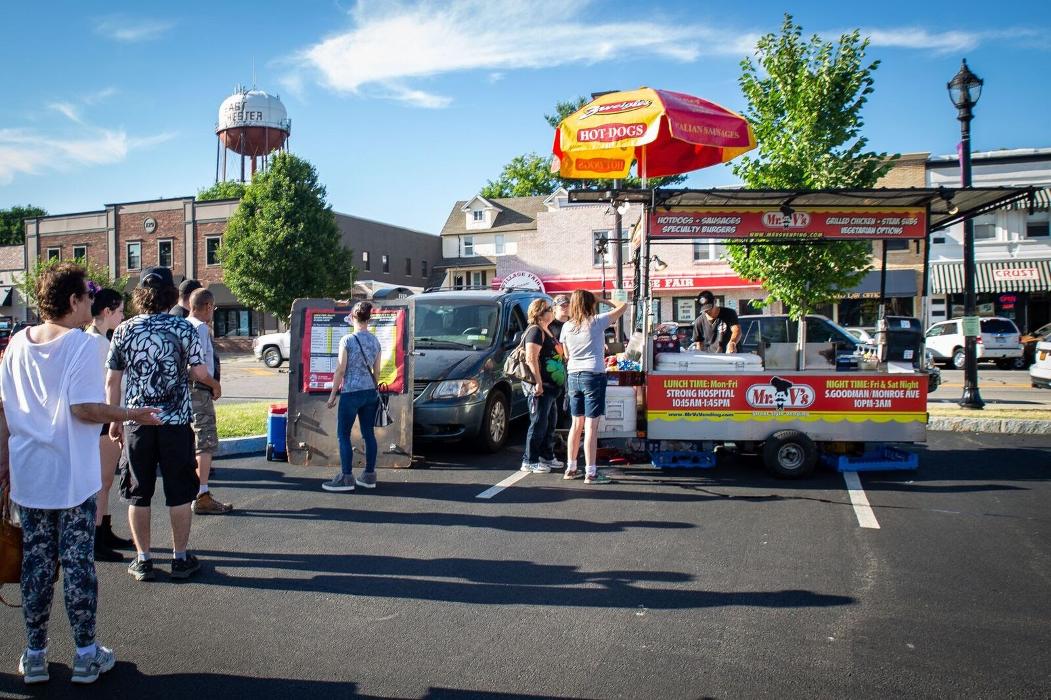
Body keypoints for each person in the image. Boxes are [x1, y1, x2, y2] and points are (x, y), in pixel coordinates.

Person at [0, 263, 160, 685]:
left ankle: (34, 654)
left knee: (35, 565)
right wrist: (128, 413)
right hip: (71, 475)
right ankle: (86, 655)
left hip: (29, 474)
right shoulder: (83, 346)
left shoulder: (16, 343)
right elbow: (83, 409)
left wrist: (4, 465)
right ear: (74, 300)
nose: (93, 302)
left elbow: (3, 409)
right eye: (88, 296)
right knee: (76, 566)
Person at [107, 267, 214, 582]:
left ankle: (143, 559)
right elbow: (198, 372)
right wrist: (214, 384)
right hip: (176, 421)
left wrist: (115, 418)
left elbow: (113, 381)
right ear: (171, 294)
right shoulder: (183, 328)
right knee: (179, 492)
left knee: (138, 492)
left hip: (137, 421)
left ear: (140, 293)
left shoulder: (124, 330)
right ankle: (180, 559)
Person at [85, 286, 134, 562]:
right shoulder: (100, 343)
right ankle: (97, 537)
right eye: (120, 311)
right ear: (107, 312)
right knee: (102, 481)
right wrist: (119, 417)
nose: (122, 316)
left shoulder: (96, 339)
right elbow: (110, 384)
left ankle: (104, 530)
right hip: (105, 418)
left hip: (104, 417)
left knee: (103, 480)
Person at [559, 290, 628, 484]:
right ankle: (591, 472)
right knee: (591, 426)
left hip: (573, 375)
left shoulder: (567, 326)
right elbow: (623, 306)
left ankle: (571, 468)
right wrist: (603, 299)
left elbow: (567, 354)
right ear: (591, 303)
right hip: (594, 375)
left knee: (576, 424)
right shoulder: (597, 321)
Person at [323, 301, 382, 492]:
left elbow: (340, 370)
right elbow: (378, 372)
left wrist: (333, 395)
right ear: (369, 319)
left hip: (350, 393)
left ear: (352, 317)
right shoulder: (375, 341)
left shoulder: (347, 340)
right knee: (368, 434)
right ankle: (369, 475)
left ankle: (346, 477)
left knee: (343, 434)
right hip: (370, 393)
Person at [187, 288, 231, 515]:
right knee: (205, 440)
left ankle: (193, 491)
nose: (212, 312)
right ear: (206, 307)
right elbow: (198, 369)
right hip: (199, 391)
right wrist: (215, 385)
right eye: (212, 308)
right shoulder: (200, 329)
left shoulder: (182, 326)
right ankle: (202, 494)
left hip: (185, 393)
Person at [520, 298, 566, 474]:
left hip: (552, 387)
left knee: (549, 423)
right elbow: (531, 359)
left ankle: (546, 456)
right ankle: (529, 460)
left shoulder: (546, 329)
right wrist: (538, 382)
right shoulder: (534, 331)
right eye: (549, 308)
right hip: (542, 386)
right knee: (538, 423)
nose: (552, 310)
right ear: (540, 313)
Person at [546, 295, 572, 456]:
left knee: (568, 403)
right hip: (554, 371)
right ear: (554, 307)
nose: (565, 307)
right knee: (556, 404)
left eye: (567, 305)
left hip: (571, 370)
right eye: (562, 305)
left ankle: (567, 440)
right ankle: (556, 441)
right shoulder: (549, 326)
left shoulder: (573, 324)